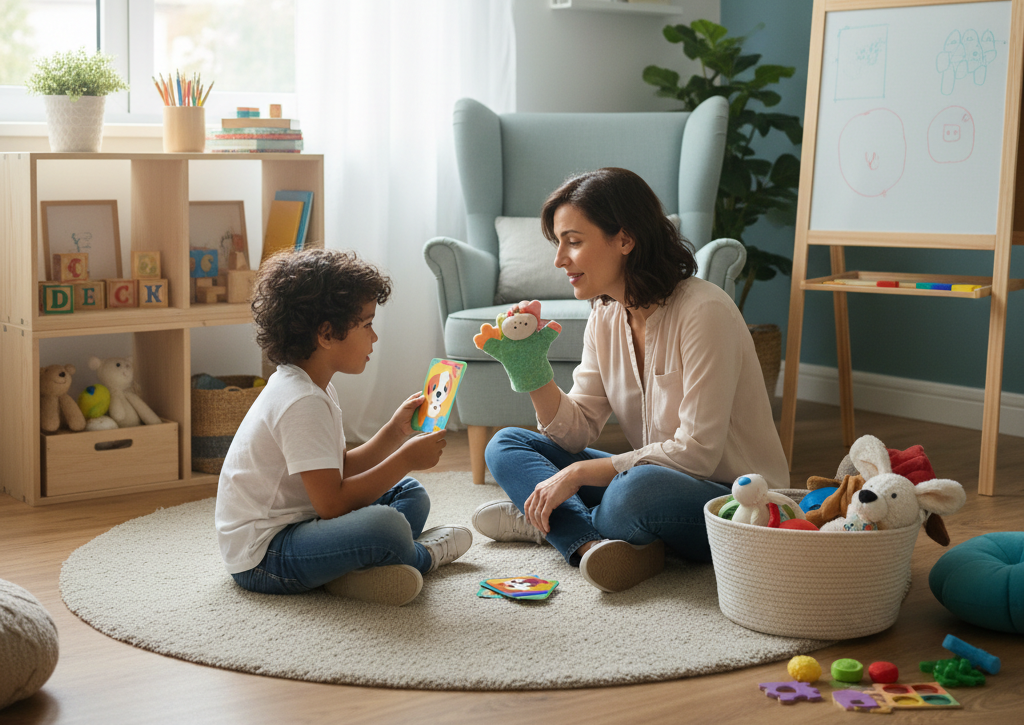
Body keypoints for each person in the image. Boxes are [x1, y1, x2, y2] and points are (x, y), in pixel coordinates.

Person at [472, 167, 789, 593]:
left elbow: (696, 455)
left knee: (632, 490)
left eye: (574, 241)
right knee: (507, 443)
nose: (559, 259)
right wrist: (532, 372)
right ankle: (587, 544)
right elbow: (576, 429)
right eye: (559, 243)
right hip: (657, 475)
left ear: (624, 239)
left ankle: (551, 522)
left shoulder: (704, 311)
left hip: (734, 502)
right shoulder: (604, 315)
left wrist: (578, 474)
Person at [215, 247, 472, 606]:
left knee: (408, 493)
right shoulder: (301, 401)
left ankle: (354, 570)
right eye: (367, 324)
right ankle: (422, 557)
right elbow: (332, 504)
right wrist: (405, 459)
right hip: (264, 557)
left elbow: (337, 470)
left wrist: (394, 434)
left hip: (301, 525)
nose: (375, 338)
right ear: (326, 334)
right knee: (385, 526)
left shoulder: (311, 385)